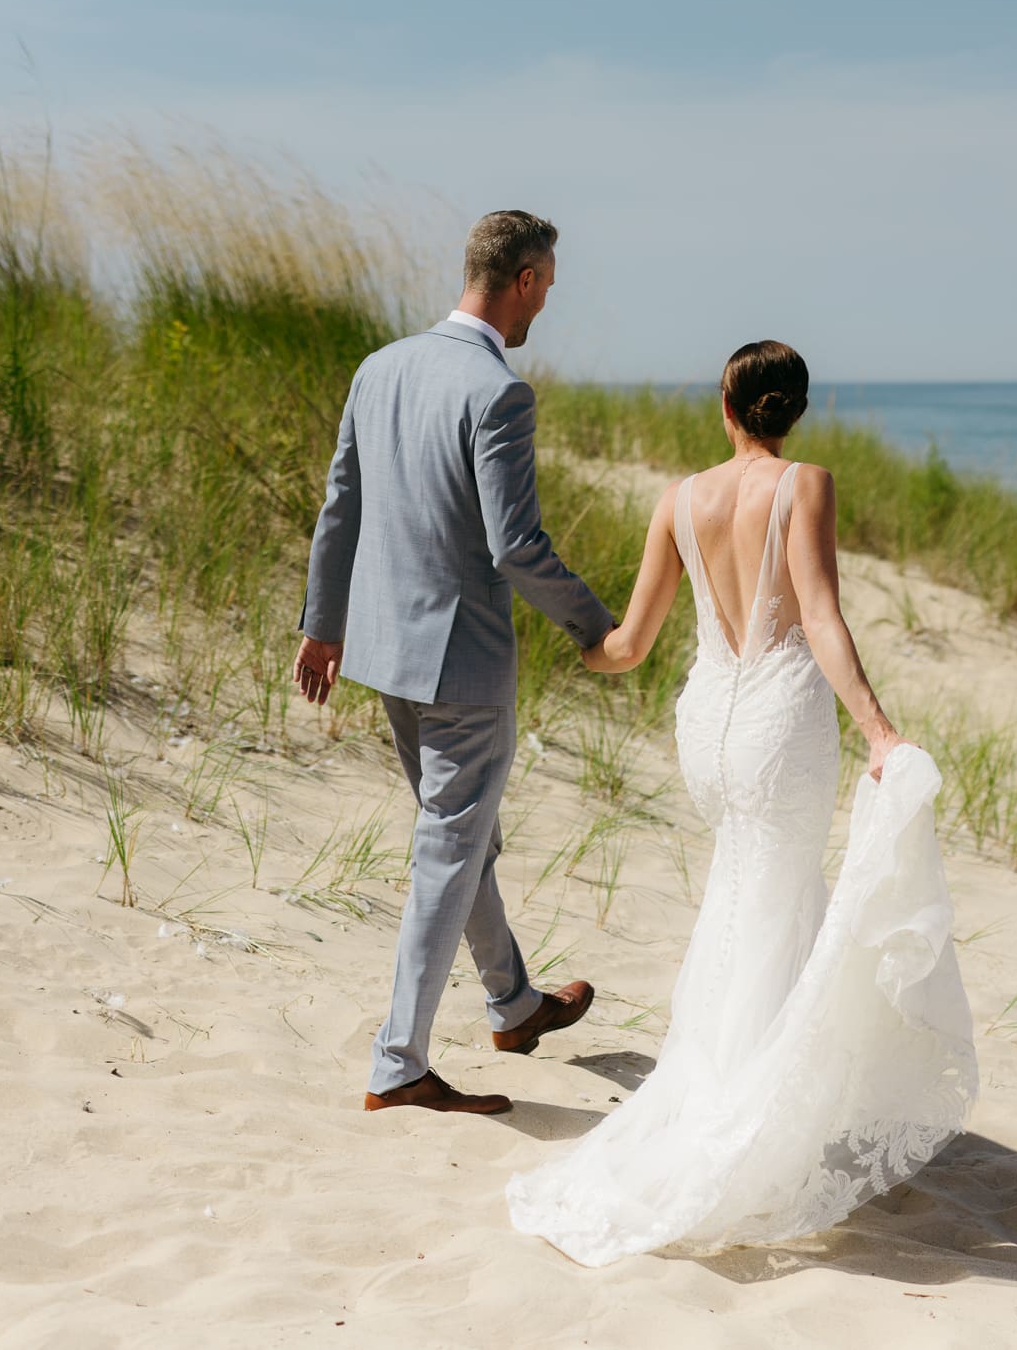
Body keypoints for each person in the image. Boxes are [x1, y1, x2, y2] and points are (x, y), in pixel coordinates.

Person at [505, 340, 979, 1265]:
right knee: (769, 902)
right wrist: (880, 730)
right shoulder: (805, 484)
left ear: (726, 404)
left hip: (709, 727)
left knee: (748, 901)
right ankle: (744, 1116)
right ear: (792, 410)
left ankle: (759, 1091)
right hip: (777, 723)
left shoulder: (679, 499)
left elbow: (628, 646)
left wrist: (564, 632)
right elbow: (821, 615)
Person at [291, 210, 609, 1116]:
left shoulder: (379, 366)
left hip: (384, 653)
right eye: (547, 285)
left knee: (461, 836)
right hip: (462, 665)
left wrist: (323, 624)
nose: (546, 302)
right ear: (526, 280)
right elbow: (517, 546)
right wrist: (593, 625)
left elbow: (338, 506)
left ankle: (513, 1003)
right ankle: (399, 1063)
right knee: (450, 849)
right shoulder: (497, 391)